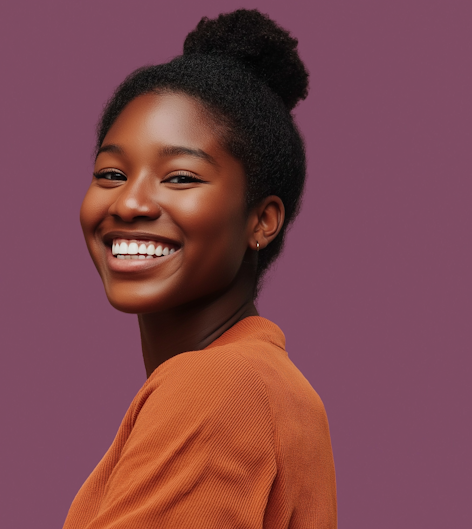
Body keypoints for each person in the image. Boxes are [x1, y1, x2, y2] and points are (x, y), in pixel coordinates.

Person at [63, 9, 337, 528]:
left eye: (181, 177)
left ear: (262, 220)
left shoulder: (218, 389)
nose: (130, 202)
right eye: (112, 173)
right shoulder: (280, 389)